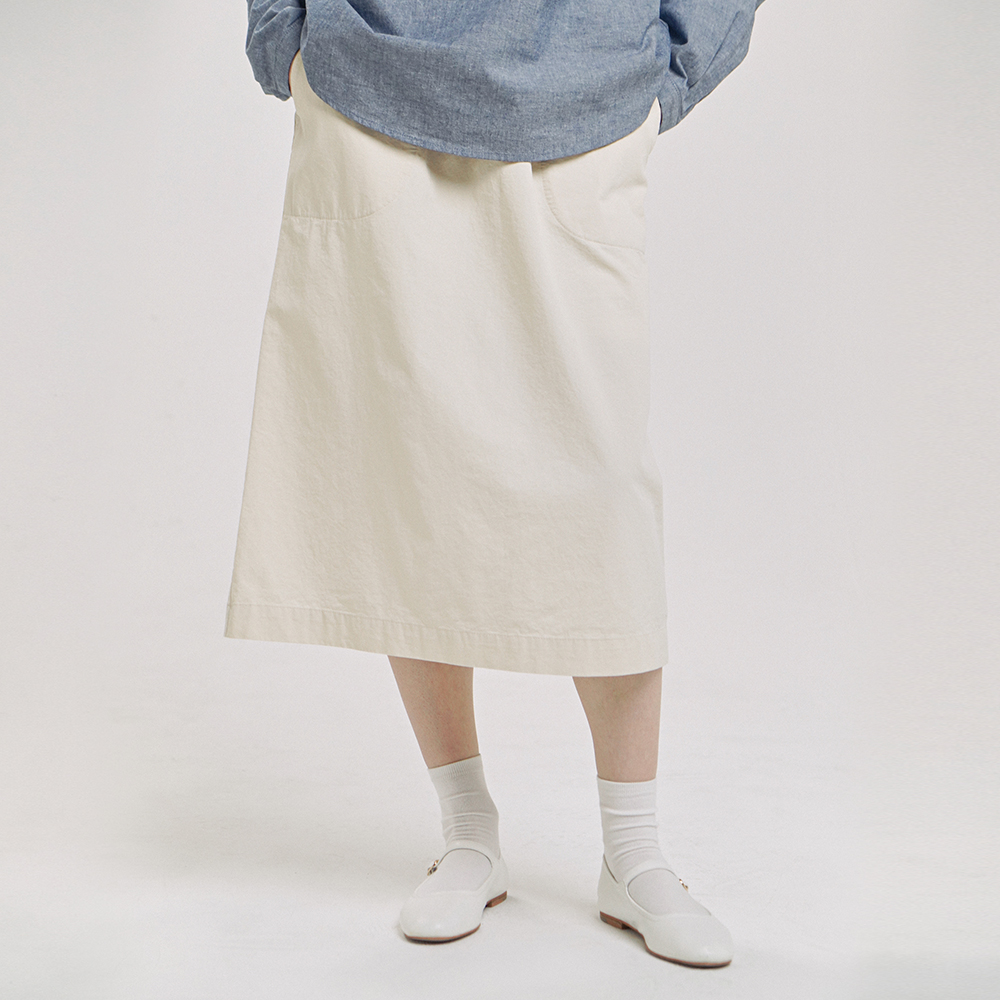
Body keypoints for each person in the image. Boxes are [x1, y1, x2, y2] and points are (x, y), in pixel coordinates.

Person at [229, 0, 764, 968]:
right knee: (411, 464)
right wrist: (292, 40)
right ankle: (468, 829)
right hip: (370, 82)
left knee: (601, 489)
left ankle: (634, 850)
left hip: (585, 93)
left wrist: (666, 71)